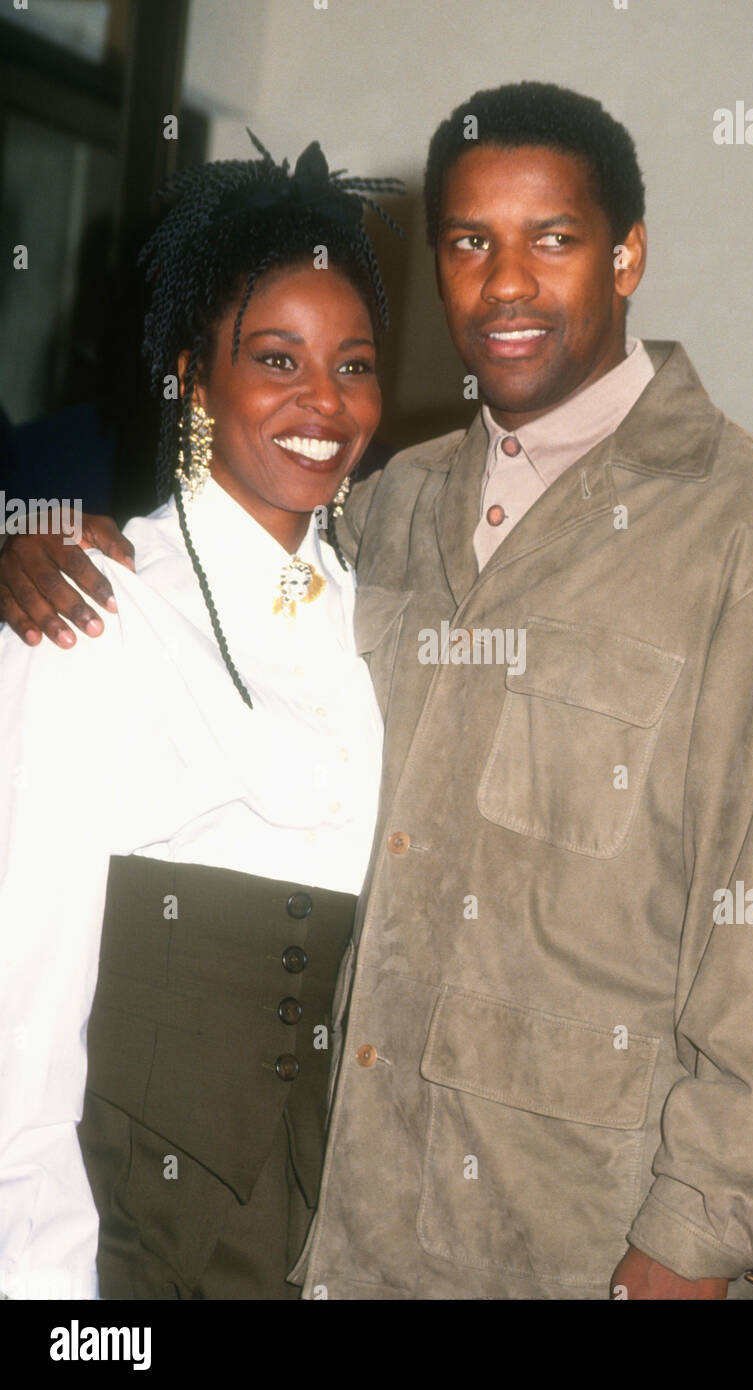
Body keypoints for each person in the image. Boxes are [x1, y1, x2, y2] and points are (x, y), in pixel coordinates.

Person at [0, 82, 753, 1301]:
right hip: (337, 1240)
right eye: (471, 241)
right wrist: (35, 550)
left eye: (554, 239)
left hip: (587, 1252)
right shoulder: (392, 510)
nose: (507, 281)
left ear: (629, 254)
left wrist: (692, 1256)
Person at [0, 136, 403, 1299]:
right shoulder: (93, 608)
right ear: (191, 377)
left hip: (319, 1224)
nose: (324, 403)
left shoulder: (370, 620)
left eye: (356, 364)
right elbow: (21, 1012)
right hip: (133, 1234)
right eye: (277, 358)